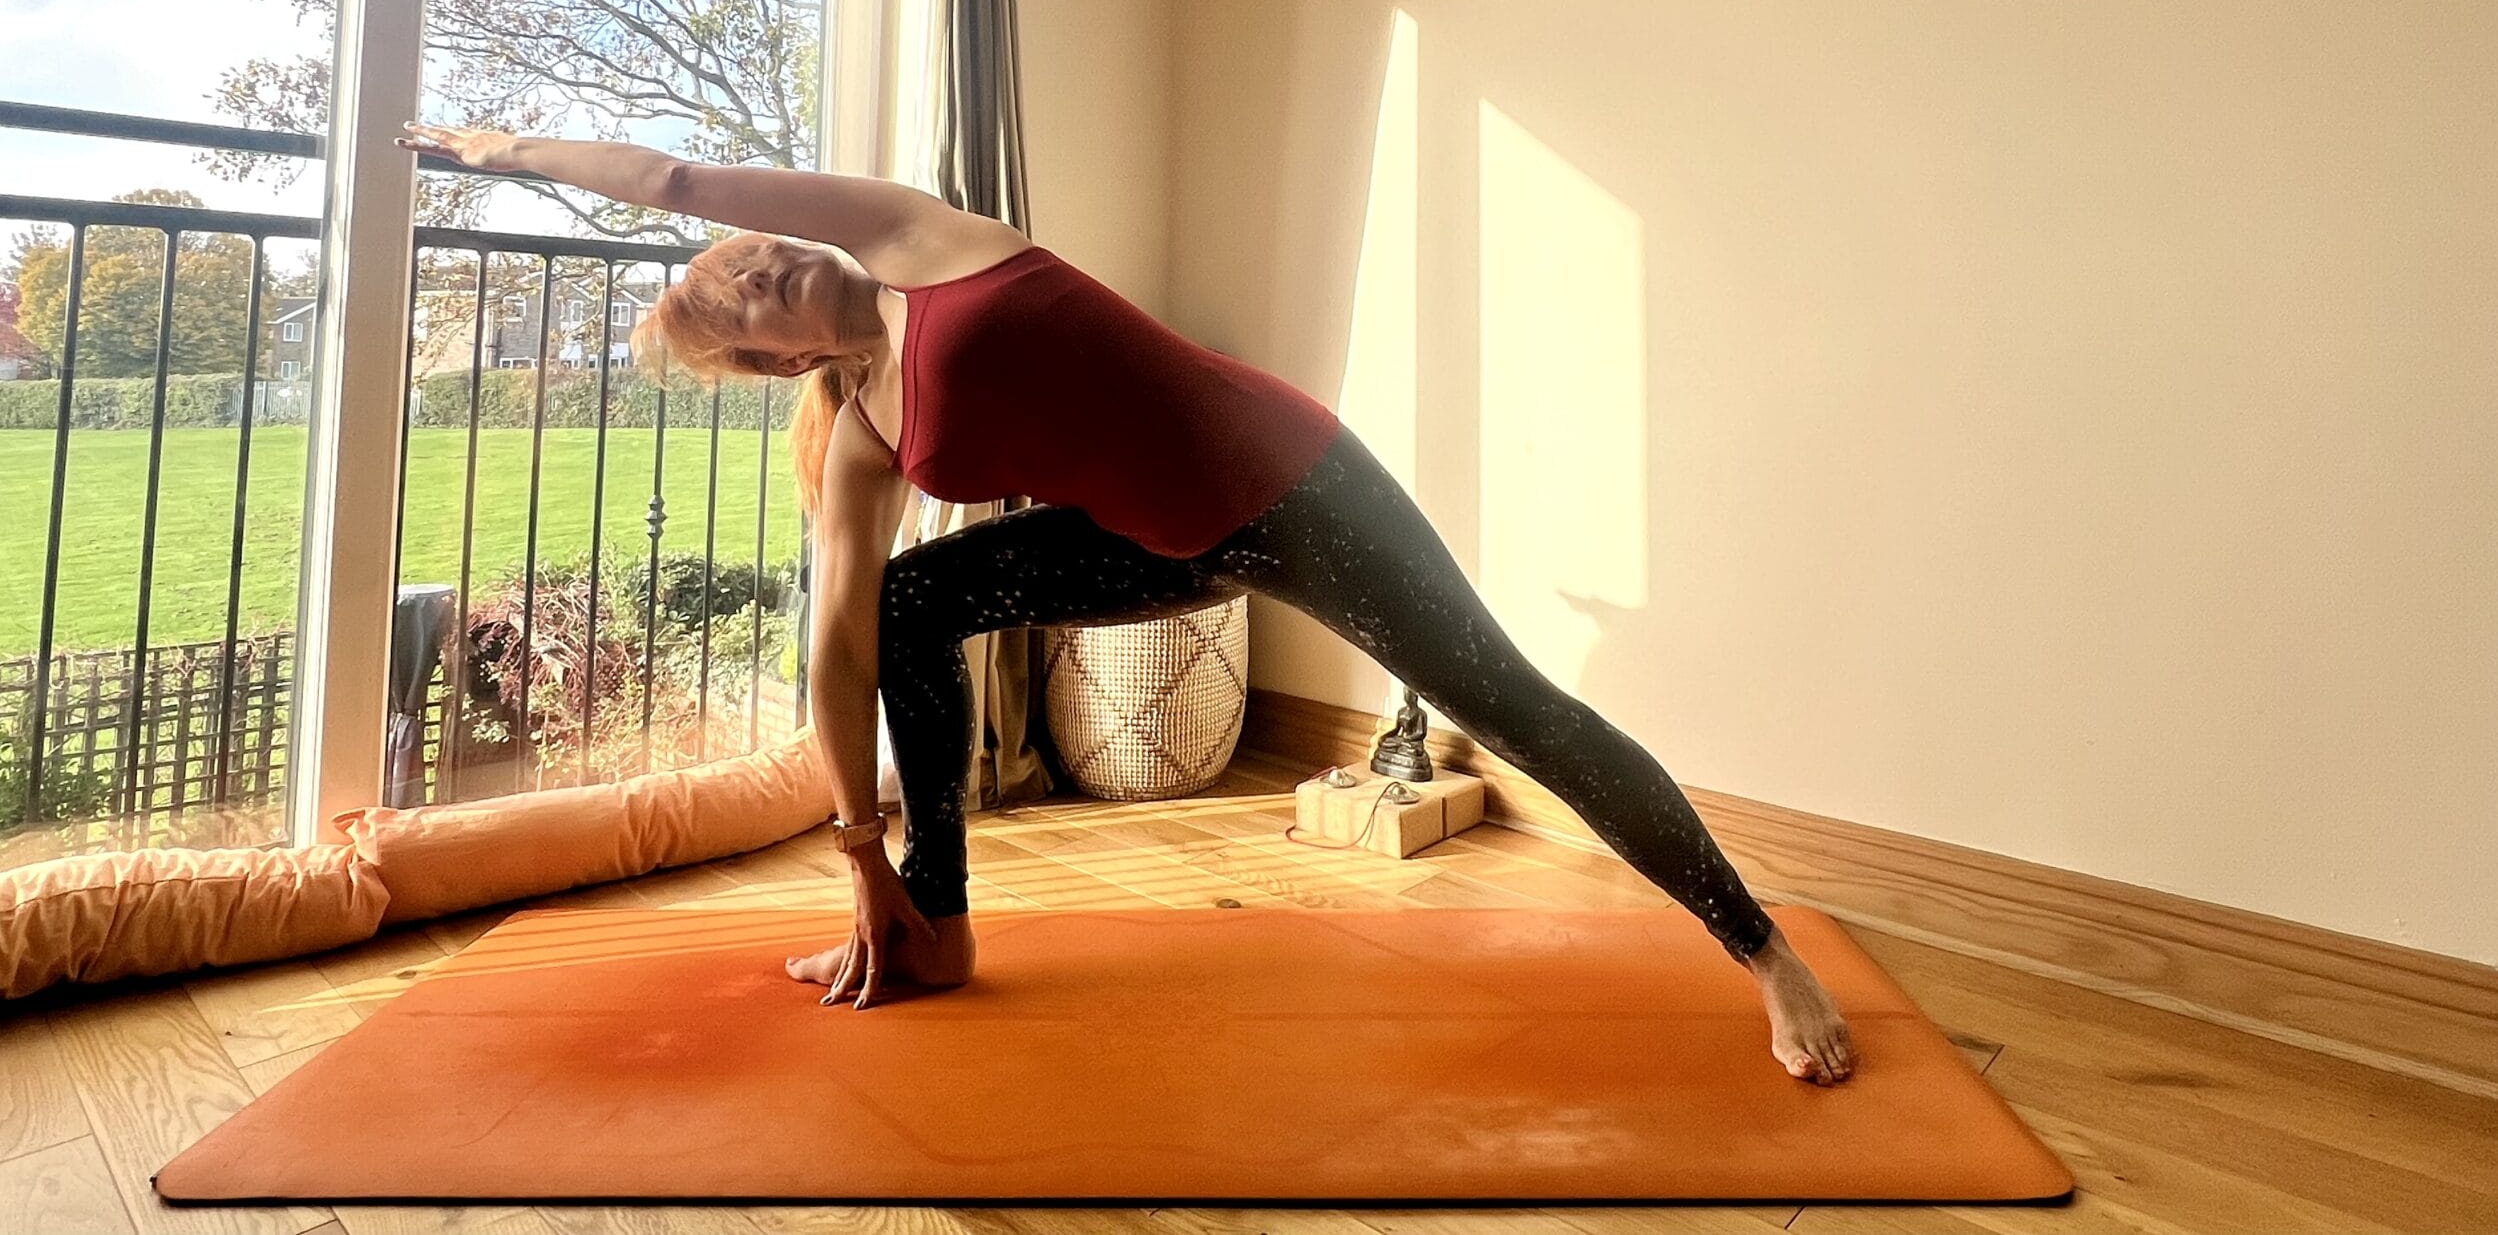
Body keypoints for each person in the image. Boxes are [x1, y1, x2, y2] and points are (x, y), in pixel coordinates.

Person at [396, 121, 1860, 1084]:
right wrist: (862, 860)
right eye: (752, 295)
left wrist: (502, 146)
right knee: (904, 604)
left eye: (762, 259)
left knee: (1520, 710)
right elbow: (834, 650)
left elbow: (680, 185)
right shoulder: (862, 436)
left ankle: (1765, 956)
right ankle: (942, 930)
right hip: (1159, 543)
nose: (769, 264)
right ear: (778, 363)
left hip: (1298, 490)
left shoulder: (910, 240)